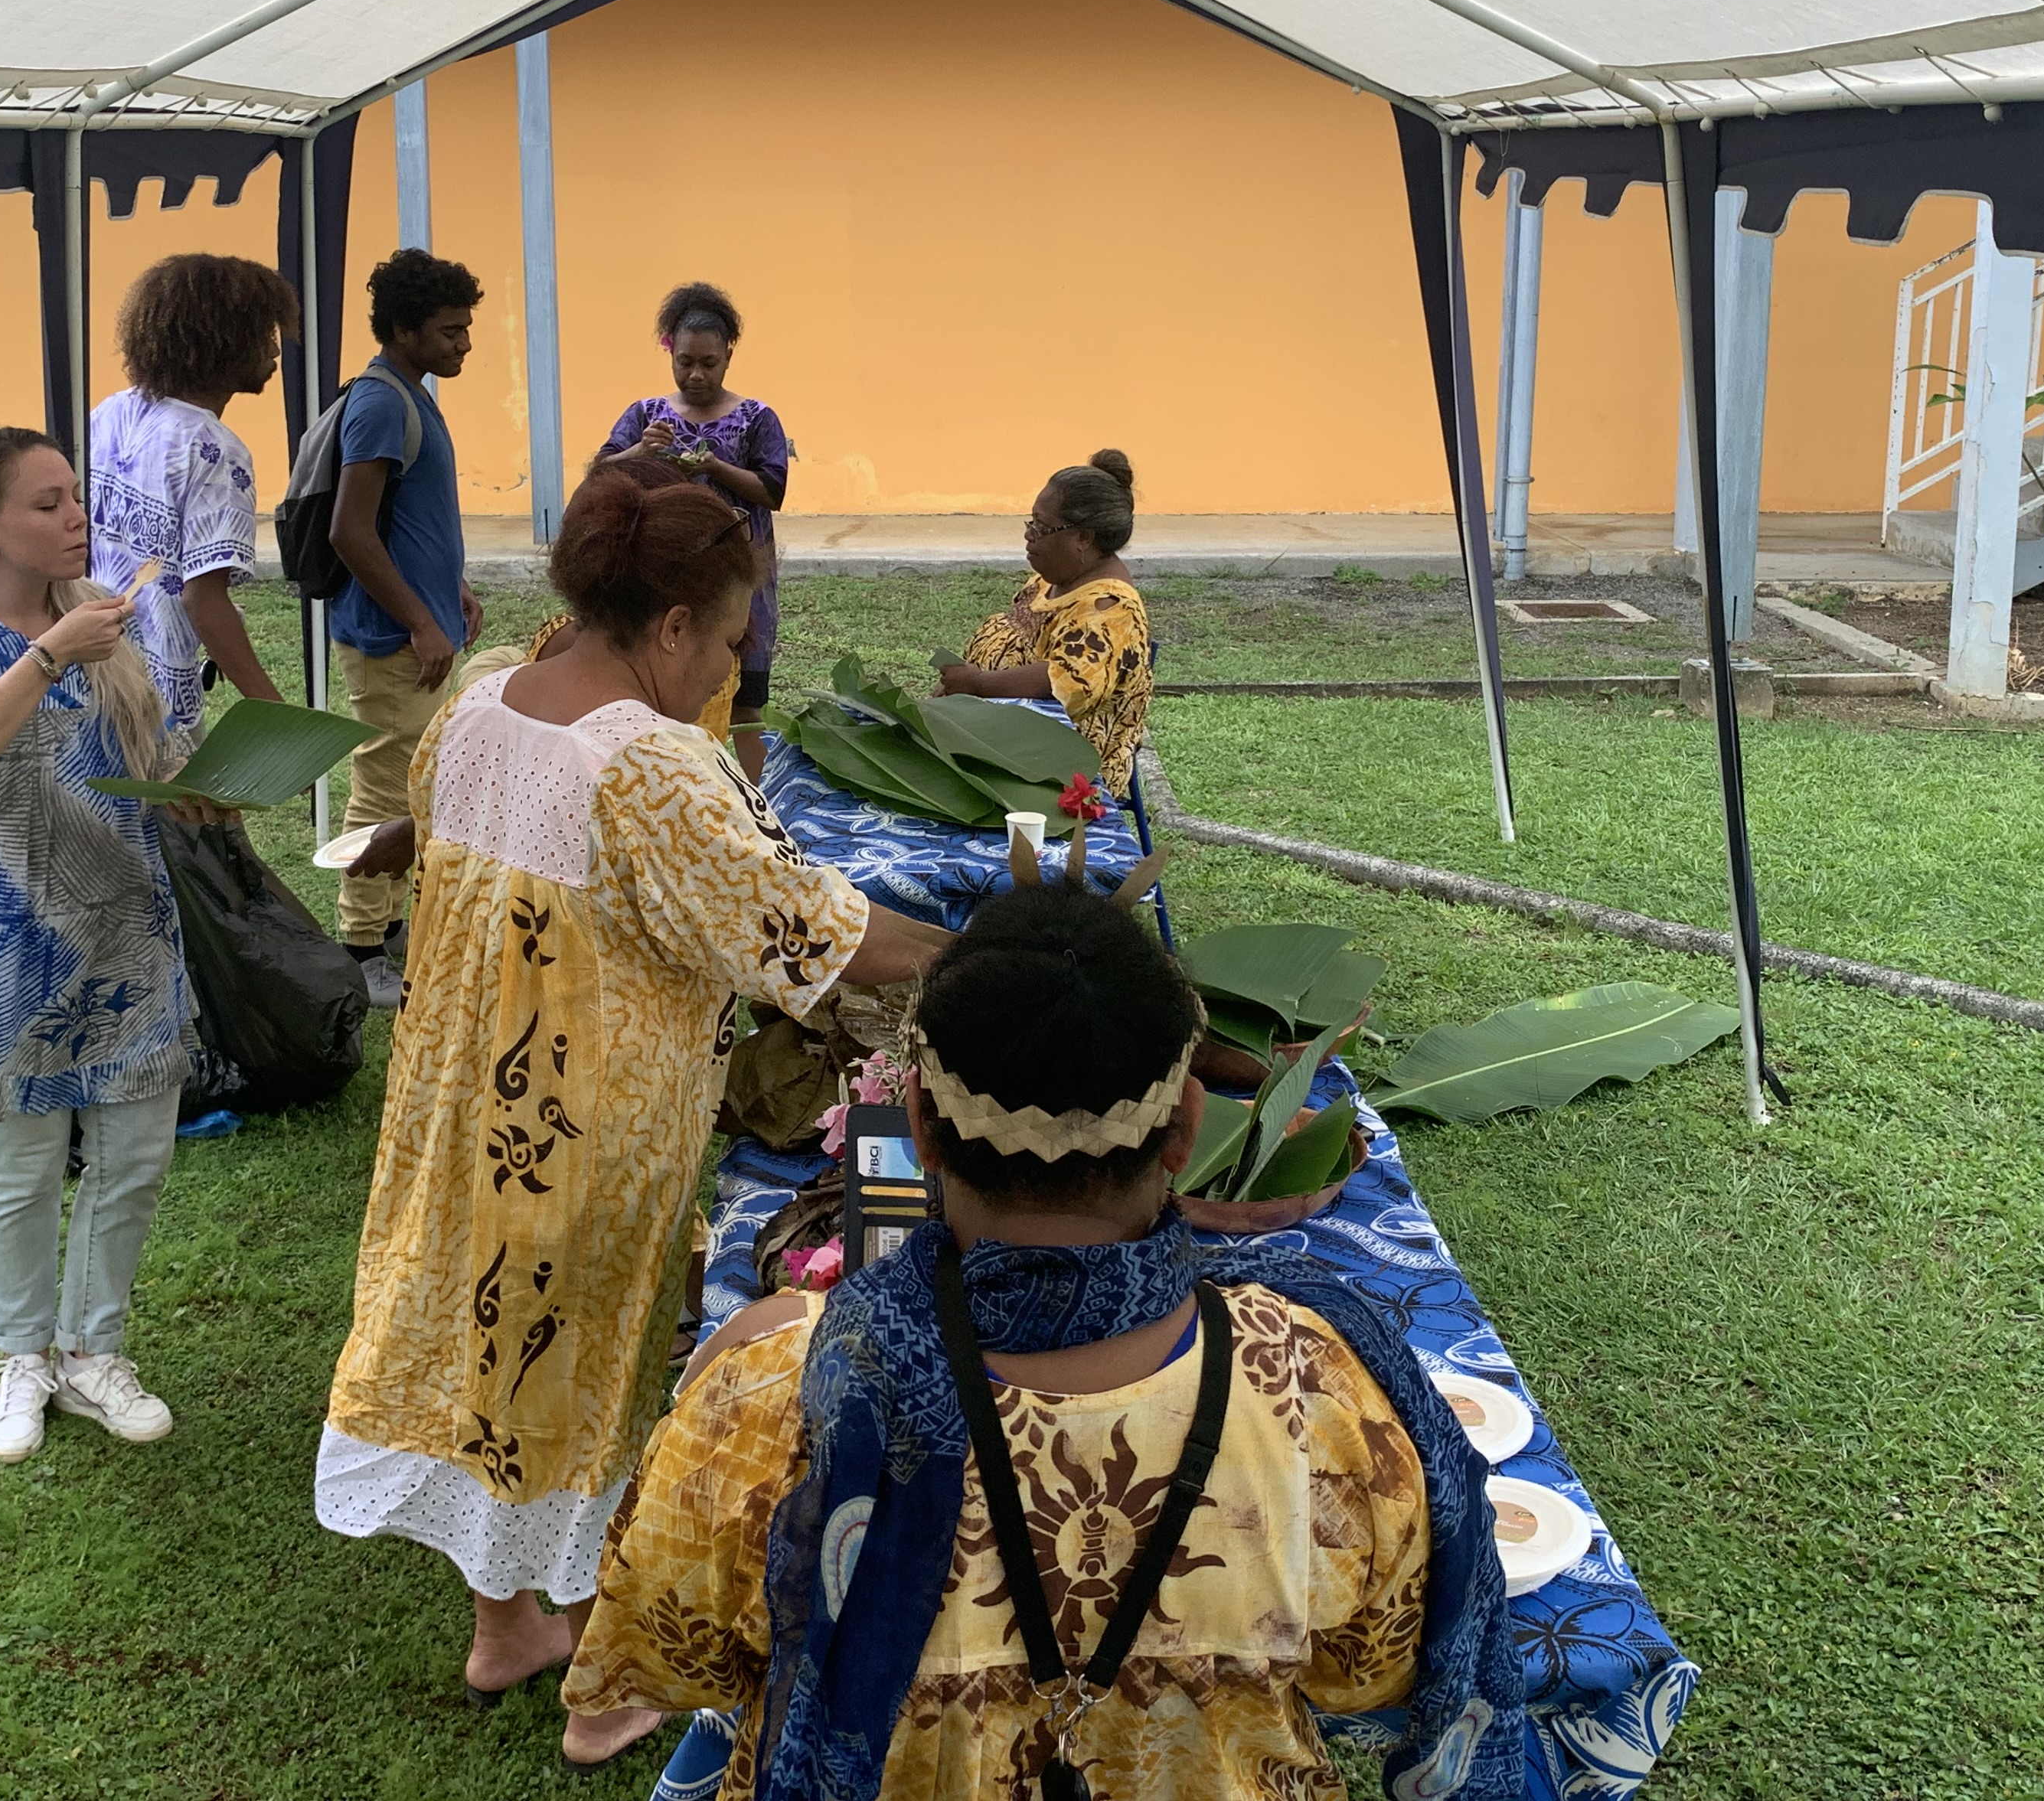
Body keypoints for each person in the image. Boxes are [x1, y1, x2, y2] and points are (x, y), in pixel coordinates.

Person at [561, 883, 1529, 1800]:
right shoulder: (1320, 1390)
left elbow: (674, 1656)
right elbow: (1369, 1671)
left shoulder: (773, 1395)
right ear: (1186, 1130)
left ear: (920, 1128)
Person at [315, 462, 949, 1770]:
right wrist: (971, 952)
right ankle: (604, 1692)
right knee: (584, 1373)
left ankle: (507, 1625)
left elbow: (437, 826)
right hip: (578, 1128)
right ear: (668, 627)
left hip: (454, 1102)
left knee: (491, 1345)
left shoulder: (480, 697)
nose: (727, 664)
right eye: (724, 639)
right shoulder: (650, 765)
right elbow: (807, 928)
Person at [0, 426, 201, 1465]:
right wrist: (50, 655)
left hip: (127, 938)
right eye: (47, 503)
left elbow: (150, 758)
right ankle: (22, 1357)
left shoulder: (104, 617)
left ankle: (94, 1352)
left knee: (133, 1161)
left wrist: (202, 790)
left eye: (76, 498)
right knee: (17, 1169)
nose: (76, 519)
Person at [328, 248, 488, 1007]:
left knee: (412, 785)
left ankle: (388, 926)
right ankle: (361, 949)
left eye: (465, 328)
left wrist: (451, 589)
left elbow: (409, 518)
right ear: (403, 330)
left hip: (419, 630)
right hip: (392, 642)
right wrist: (421, 622)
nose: (465, 344)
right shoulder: (381, 403)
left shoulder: (411, 394)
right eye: (450, 330)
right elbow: (350, 531)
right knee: (384, 794)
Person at [85, 250, 299, 736]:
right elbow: (203, 600)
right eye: (263, 334)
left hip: (89, 669)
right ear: (222, 339)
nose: (275, 349)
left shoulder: (109, 413)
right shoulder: (215, 451)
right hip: (157, 703)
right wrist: (280, 718)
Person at [599, 281, 789, 779]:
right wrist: (641, 452)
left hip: (740, 585)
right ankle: (674, 788)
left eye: (709, 363)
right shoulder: (647, 416)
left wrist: (713, 467)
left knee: (746, 705)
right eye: (685, 362)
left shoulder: (756, 419)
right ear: (670, 354)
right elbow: (600, 476)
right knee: (666, 698)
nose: (696, 374)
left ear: (729, 356)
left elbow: (772, 490)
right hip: (665, 581)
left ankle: (756, 797)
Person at [932, 448, 1154, 793]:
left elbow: (1066, 681)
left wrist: (979, 685)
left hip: (1060, 773)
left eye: (1042, 527)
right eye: (1031, 522)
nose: (1029, 534)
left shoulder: (1110, 611)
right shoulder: (1048, 583)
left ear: (1083, 538)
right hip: (1000, 740)